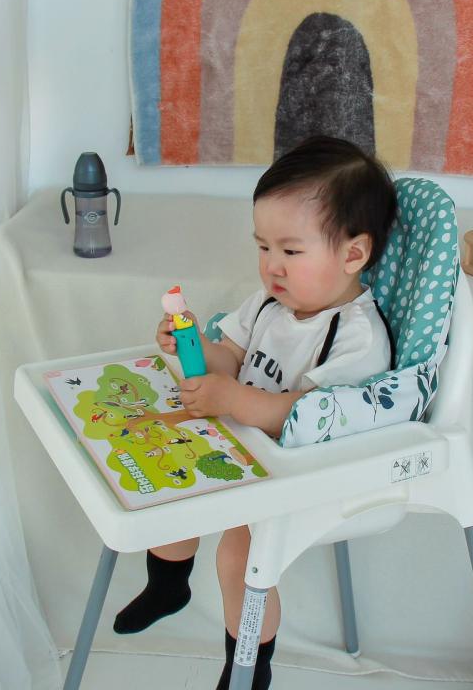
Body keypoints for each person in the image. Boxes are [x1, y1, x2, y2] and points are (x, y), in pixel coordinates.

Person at [113, 135, 399, 689]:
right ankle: (168, 586)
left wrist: (232, 399)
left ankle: (249, 662)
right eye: (263, 247)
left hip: (301, 473)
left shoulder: (356, 338)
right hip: (242, 443)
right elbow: (230, 358)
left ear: (353, 254)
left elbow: (310, 415)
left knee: (238, 557)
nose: (272, 267)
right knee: (168, 484)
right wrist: (192, 346)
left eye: (291, 251)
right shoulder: (269, 304)